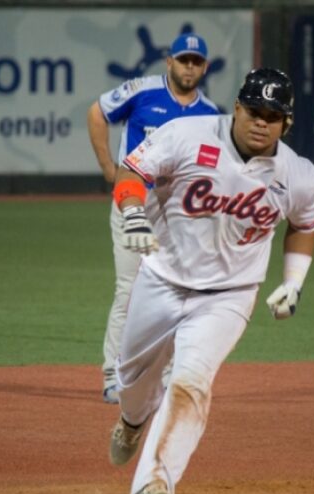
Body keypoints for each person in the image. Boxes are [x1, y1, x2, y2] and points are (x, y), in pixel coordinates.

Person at [107, 68, 314, 494]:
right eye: (255, 111)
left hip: (229, 296)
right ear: (237, 108)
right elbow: (132, 171)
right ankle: (132, 421)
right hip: (162, 279)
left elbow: (303, 224)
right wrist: (133, 212)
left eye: (274, 116)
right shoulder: (186, 134)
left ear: (287, 123)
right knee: (133, 382)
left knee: (191, 382)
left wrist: (294, 283)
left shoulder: (299, 175)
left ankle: (154, 484)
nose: (262, 122)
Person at [87, 33, 220, 404]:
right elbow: (97, 112)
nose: (189, 67)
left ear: (204, 67)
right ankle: (114, 374)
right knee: (129, 291)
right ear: (169, 62)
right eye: (183, 60)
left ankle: (163, 377)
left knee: (177, 294)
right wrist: (108, 168)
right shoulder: (142, 91)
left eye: (195, 61)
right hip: (133, 203)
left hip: (177, 215)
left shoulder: (210, 113)